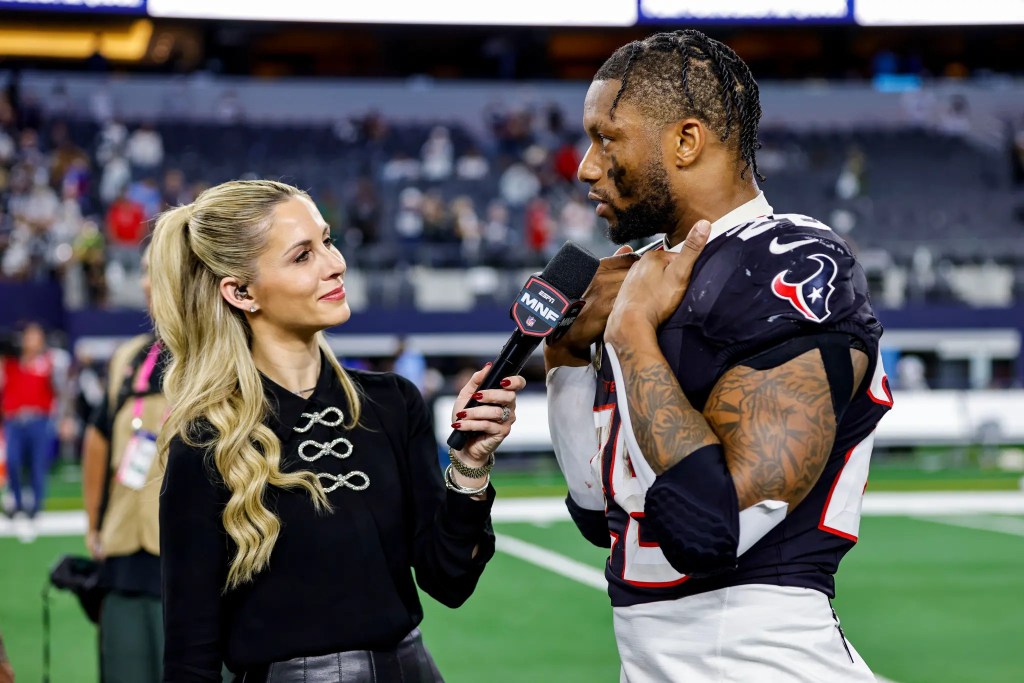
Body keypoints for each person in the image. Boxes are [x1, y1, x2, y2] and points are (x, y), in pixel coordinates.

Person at [545, 30, 892, 682]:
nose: (587, 167)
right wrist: (565, 354)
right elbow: (602, 515)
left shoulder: (787, 262)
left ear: (686, 140)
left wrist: (631, 334)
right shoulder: (644, 277)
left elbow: (709, 526)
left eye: (607, 138)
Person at [148, 179, 524, 682]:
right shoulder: (206, 443)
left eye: (328, 241)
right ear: (241, 292)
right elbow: (190, 657)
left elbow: (449, 580)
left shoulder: (393, 403)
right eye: (303, 255)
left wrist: (470, 467)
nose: (335, 263)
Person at [81, 246, 169, 682]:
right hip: (122, 558)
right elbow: (98, 438)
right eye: (144, 271)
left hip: (192, 568)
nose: (144, 283)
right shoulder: (130, 357)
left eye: (155, 270)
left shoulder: (226, 355)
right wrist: (94, 524)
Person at [0, 321, 70, 538]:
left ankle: (36, 506)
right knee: (13, 461)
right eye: (29, 336)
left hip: (39, 419)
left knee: (37, 464)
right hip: (14, 420)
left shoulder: (49, 361)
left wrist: (63, 419)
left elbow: (61, 391)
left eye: (37, 336)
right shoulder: (10, 360)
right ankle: (17, 502)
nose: (33, 341)